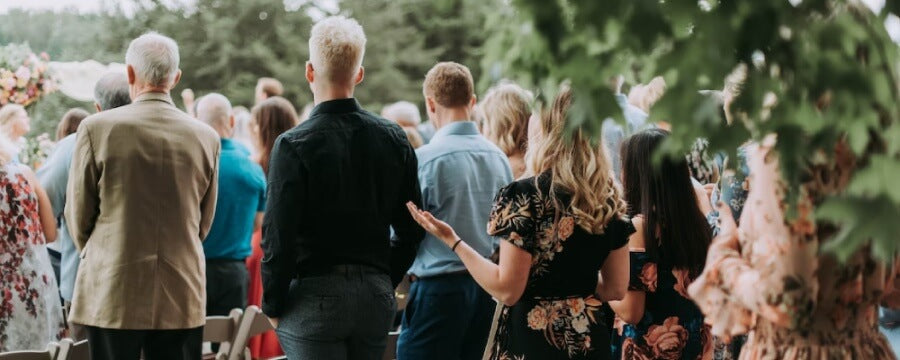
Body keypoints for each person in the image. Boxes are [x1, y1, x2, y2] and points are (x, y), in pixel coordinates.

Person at [407, 86, 632, 360]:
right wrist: (574, 280)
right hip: (586, 340)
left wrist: (454, 242)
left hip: (534, 342)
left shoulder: (524, 195)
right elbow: (616, 288)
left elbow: (508, 290)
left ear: (547, 125)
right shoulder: (606, 198)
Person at [261, 16, 425, 359]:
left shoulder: (293, 145)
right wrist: (382, 279)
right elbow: (412, 228)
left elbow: (279, 237)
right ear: (359, 74)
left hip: (314, 296)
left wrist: (273, 306)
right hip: (374, 297)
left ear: (309, 71)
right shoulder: (394, 138)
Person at [65, 32, 220, 360]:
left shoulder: (96, 129)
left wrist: (106, 254)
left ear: (131, 74)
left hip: (113, 289)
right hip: (181, 290)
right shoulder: (206, 137)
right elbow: (203, 223)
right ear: (175, 78)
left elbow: (77, 216)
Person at [687, 136, 900, 359]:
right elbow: (893, 289)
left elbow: (787, 299)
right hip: (864, 350)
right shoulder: (878, 151)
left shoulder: (781, 157)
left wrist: (725, 254)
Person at [397, 62, 513, 360]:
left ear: (430, 104)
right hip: (485, 288)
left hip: (437, 292)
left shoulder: (423, 161)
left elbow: (401, 230)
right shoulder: (499, 159)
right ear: (472, 102)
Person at [37, 71, 131, 341]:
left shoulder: (71, 147)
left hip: (85, 286)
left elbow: (42, 213)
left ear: (98, 108)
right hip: (145, 291)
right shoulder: (159, 142)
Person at [608, 128, 713, 359]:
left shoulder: (639, 229)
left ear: (638, 174)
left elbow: (631, 311)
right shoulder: (698, 225)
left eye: (624, 166)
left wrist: (598, 279)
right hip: (692, 348)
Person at [196, 93, 266, 322]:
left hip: (193, 270)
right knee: (228, 348)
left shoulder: (191, 165)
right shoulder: (253, 169)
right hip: (234, 273)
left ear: (197, 121)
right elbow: (258, 224)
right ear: (232, 121)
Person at [0, 126, 64, 352]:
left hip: (5, 293)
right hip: (34, 282)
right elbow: (50, 234)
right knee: (40, 351)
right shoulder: (26, 174)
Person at [244, 96, 298, 359]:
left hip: (259, 247)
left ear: (261, 129)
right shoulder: (297, 160)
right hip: (292, 248)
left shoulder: (254, 165)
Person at [480, 82, 533, 179]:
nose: (483, 128)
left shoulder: (499, 171)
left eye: (485, 121)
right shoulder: (538, 165)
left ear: (497, 127)